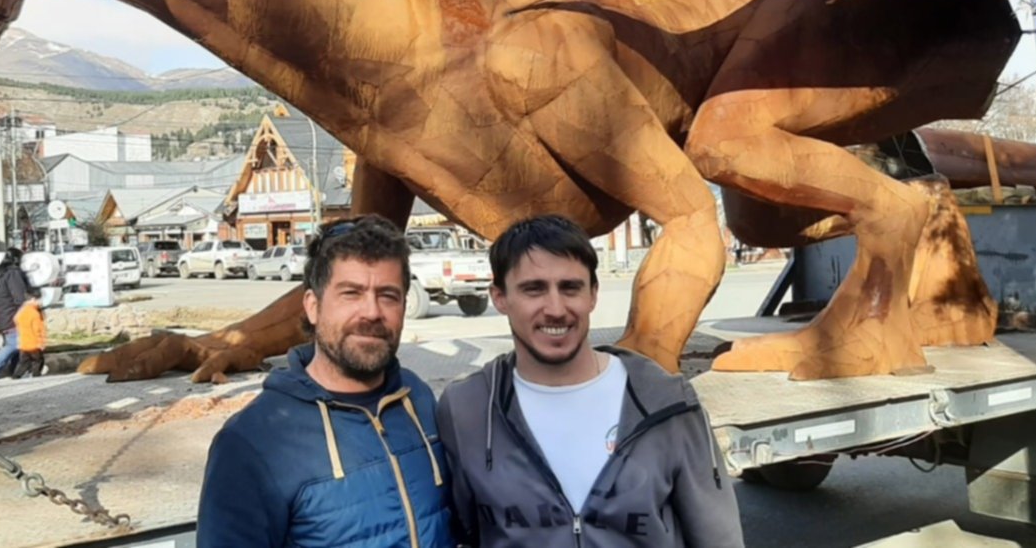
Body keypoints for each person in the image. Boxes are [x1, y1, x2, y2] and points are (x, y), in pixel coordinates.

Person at [436, 215, 743, 547]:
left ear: (593, 294)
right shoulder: (467, 409)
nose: (555, 308)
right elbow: (463, 532)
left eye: (570, 288)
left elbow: (718, 538)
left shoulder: (667, 404)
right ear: (500, 298)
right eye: (533, 289)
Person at [196, 215, 455, 548]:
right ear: (313, 307)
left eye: (388, 295)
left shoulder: (417, 399)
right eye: (351, 293)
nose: (372, 312)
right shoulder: (251, 443)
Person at [0, 247, 31, 381]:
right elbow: (19, 296)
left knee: (15, 343)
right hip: (11, 315)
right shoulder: (13, 273)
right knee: (17, 343)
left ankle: (18, 371)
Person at [11, 291, 47, 379]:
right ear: (34, 299)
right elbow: (38, 330)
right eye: (40, 300)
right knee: (38, 361)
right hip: (34, 343)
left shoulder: (22, 310)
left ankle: (16, 376)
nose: (41, 302)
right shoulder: (34, 313)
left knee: (23, 362)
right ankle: (36, 375)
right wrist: (41, 343)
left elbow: (16, 320)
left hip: (23, 342)